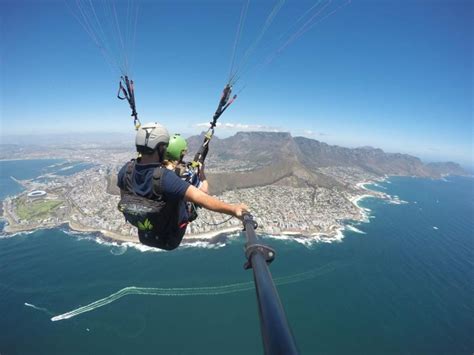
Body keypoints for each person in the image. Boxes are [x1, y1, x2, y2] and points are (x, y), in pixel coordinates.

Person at [117, 122, 248, 250]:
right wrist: (233, 209)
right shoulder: (165, 178)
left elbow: (125, 199)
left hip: (145, 235)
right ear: (161, 148)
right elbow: (202, 197)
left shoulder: (126, 170)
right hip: (169, 239)